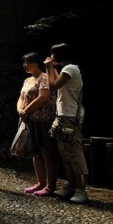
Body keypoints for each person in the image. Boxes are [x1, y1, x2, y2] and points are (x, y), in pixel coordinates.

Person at [45, 43, 88, 204]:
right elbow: (56, 82)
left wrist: (49, 68)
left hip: (71, 116)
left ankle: (81, 190)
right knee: (65, 153)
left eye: (52, 54)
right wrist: (53, 69)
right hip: (63, 115)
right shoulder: (66, 69)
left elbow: (52, 86)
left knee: (75, 154)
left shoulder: (70, 69)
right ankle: (71, 186)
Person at [17, 52, 58, 196]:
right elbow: (21, 97)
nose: (24, 65)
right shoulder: (27, 80)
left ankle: (51, 185)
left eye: (27, 62)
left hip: (43, 119)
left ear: (35, 63)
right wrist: (20, 110)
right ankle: (40, 182)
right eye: (24, 62)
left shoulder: (45, 77)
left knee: (47, 151)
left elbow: (43, 97)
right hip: (29, 120)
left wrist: (26, 111)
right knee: (35, 152)